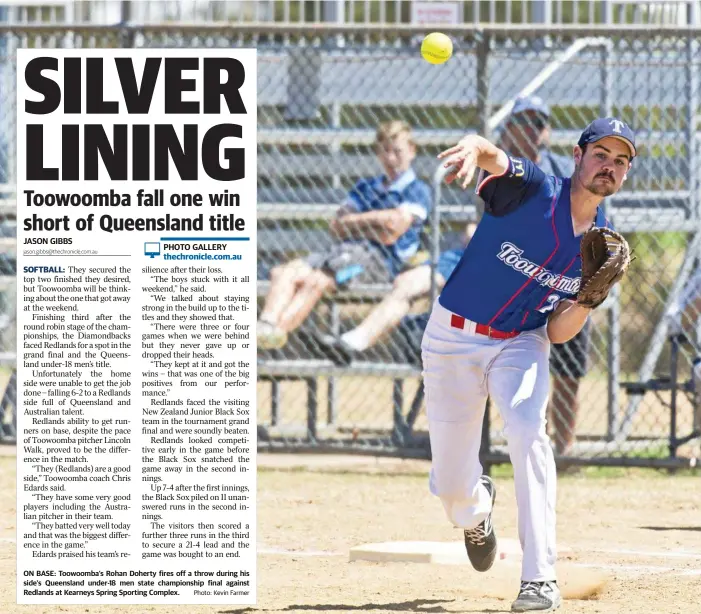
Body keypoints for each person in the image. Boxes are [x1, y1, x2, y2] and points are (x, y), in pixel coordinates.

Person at [422, 117, 636, 611]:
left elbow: (559, 332)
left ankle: (540, 578)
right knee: (453, 486)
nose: (609, 165)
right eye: (600, 154)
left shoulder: (598, 245)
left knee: (527, 433)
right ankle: (476, 511)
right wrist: (475, 148)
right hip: (452, 337)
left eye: (620, 160)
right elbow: (494, 156)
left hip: (521, 342)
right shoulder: (537, 190)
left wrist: (588, 296)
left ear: (625, 175)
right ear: (578, 157)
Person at [317, 96, 593, 456]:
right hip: (497, 265)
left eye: (537, 123)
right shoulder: (499, 166)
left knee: (568, 361)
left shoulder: (564, 170)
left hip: (552, 274)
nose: (530, 131)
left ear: (547, 131)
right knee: (421, 286)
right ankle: (358, 341)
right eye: (522, 123)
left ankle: (565, 450)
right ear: (508, 129)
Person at [256, 120, 432, 350]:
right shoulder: (365, 186)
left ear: (412, 150)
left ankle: (275, 334)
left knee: (316, 281)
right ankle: (265, 328)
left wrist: (356, 223)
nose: (390, 159)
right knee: (283, 273)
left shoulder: (417, 190)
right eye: (385, 151)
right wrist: (378, 221)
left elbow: (393, 232)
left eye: (397, 151)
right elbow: (337, 226)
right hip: (341, 251)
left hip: (377, 260)